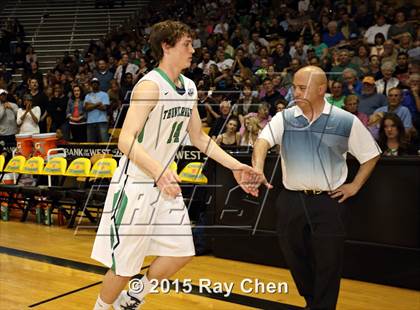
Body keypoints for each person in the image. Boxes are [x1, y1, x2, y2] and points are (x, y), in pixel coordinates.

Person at [91, 20, 264, 310]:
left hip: (165, 183)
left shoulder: (190, 87)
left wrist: (236, 166)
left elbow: (199, 138)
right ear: (166, 46)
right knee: (124, 265)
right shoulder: (149, 85)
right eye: (186, 44)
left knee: (182, 251)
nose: (192, 49)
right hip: (137, 183)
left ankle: (132, 299)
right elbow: (126, 140)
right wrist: (158, 171)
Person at [251, 66, 380, 310]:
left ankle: (322, 306)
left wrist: (354, 186)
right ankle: (312, 300)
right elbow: (262, 141)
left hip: (328, 202)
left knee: (329, 262)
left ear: (321, 89)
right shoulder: (285, 118)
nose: (295, 92)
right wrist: (258, 165)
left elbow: (371, 155)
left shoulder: (345, 120)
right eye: (294, 87)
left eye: (302, 88)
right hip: (291, 200)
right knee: (294, 256)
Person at [84, 77, 110, 142]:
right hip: (90, 122)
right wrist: (97, 104)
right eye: (93, 83)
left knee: (104, 142)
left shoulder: (104, 94)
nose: (94, 84)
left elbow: (104, 108)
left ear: (99, 84)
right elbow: (86, 108)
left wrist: (91, 105)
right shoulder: (87, 96)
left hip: (102, 121)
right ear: (91, 85)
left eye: (96, 83)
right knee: (91, 143)